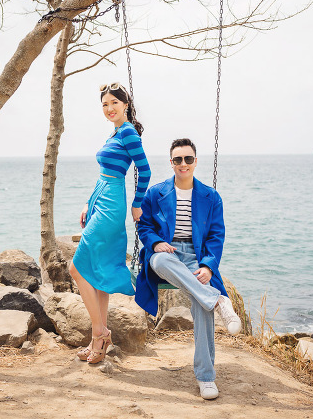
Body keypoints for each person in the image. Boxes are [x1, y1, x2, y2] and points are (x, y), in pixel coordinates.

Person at [135, 138, 241, 400]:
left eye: (188, 159)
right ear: (171, 162)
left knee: (202, 301)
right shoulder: (155, 193)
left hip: (196, 255)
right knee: (159, 261)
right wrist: (155, 243)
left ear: (195, 162)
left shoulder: (210, 196)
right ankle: (218, 300)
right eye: (178, 159)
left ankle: (206, 377)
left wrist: (207, 266)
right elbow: (143, 226)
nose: (183, 164)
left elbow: (216, 236)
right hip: (166, 253)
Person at [69, 82, 151, 364]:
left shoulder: (128, 132)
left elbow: (145, 170)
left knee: (76, 268)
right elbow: (104, 173)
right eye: (105, 104)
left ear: (125, 104)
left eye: (114, 103)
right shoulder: (115, 133)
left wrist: (138, 203)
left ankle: (100, 332)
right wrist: (87, 202)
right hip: (101, 198)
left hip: (112, 203)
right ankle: (98, 341)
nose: (109, 108)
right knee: (100, 273)